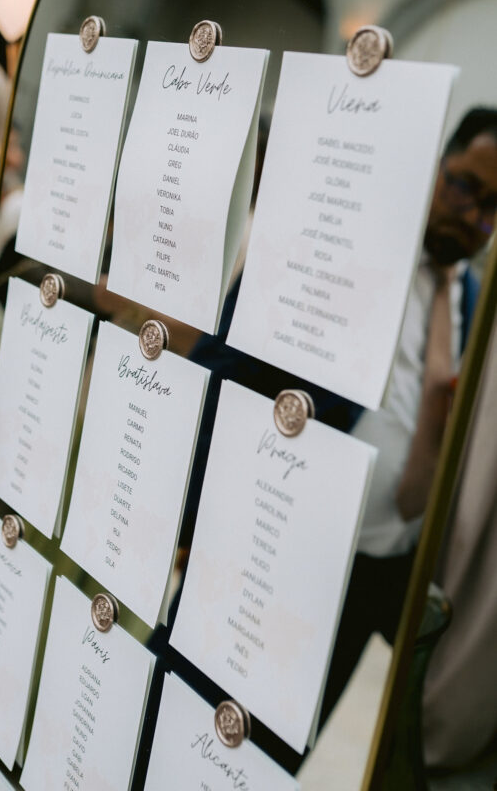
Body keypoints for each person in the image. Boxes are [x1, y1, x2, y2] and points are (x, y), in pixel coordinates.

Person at [179, 105, 497, 769]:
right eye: (465, 186)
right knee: (190, 713)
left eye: (493, 207)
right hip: (273, 547)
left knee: (272, 753)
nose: (472, 216)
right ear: (436, 164)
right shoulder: (335, 247)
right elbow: (218, 372)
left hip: (370, 578)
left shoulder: (467, 293)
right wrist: (193, 518)